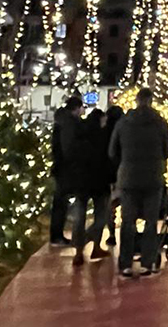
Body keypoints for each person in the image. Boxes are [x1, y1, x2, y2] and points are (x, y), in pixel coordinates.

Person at [108, 88, 168, 278]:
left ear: (136, 101)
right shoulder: (160, 122)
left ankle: (126, 264)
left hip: (128, 178)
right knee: (151, 221)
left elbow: (112, 151)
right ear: (151, 101)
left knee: (128, 221)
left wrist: (126, 162)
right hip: (153, 178)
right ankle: (147, 262)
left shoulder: (123, 123)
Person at [69, 110, 112, 266]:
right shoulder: (103, 137)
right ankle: (93, 245)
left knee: (79, 218)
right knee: (101, 216)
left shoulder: (80, 134)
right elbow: (109, 159)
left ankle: (79, 252)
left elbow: (73, 157)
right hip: (100, 183)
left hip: (82, 183)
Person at [49, 97, 83, 246]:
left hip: (60, 167)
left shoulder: (61, 121)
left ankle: (56, 234)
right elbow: (69, 147)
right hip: (65, 168)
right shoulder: (69, 123)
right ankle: (57, 236)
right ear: (76, 108)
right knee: (61, 203)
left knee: (60, 202)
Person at [103, 105, 124, 247]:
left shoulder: (103, 132)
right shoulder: (124, 131)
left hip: (107, 175)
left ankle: (111, 233)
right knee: (127, 204)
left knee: (109, 206)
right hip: (123, 173)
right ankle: (128, 234)